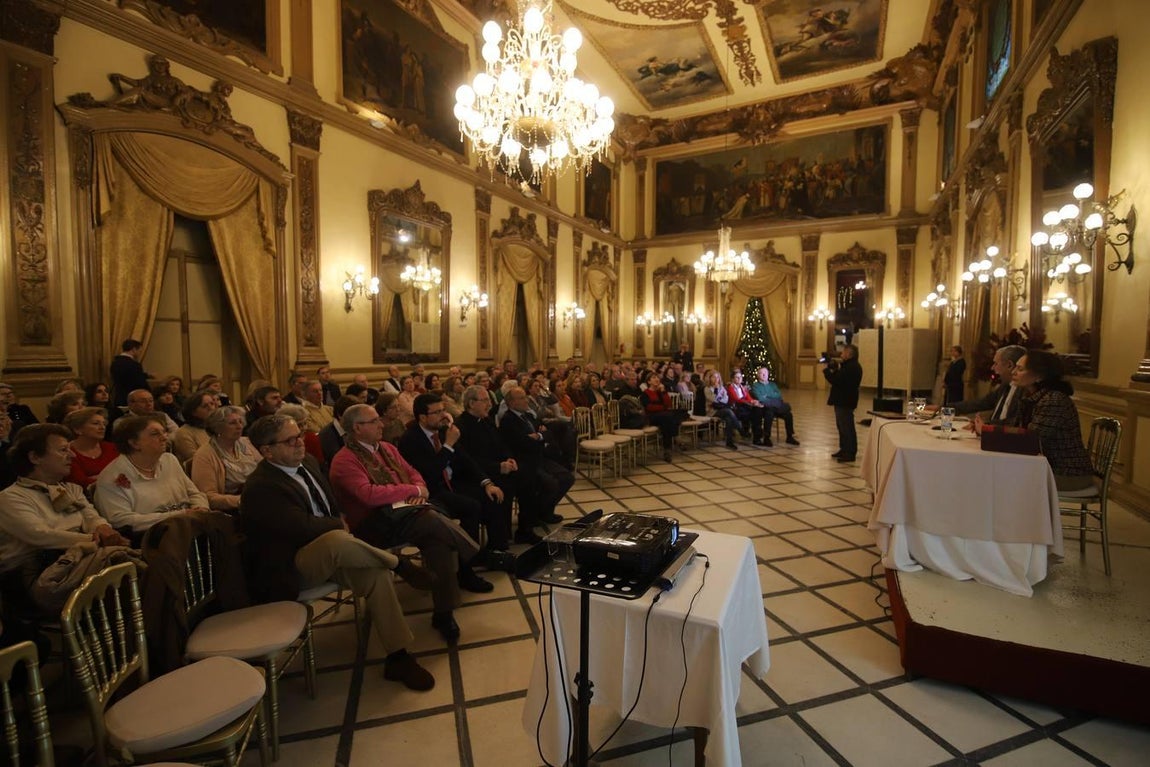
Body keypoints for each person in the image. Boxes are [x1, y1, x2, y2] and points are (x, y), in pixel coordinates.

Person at [241, 414, 436, 691]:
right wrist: (338, 524)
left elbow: (331, 504)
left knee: (375, 574)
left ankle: (399, 656)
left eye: (301, 435)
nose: (301, 443)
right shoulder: (261, 486)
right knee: (335, 538)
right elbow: (302, 528)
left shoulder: (307, 462)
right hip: (292, 566)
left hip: (336, 549)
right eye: (290, 440)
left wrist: (339, 520)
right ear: (267, 451)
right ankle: (398, 564)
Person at [327, 404, 487, 643]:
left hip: (407, 514)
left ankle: (443, 614)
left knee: (438, 542)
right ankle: (478, 556)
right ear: (357, 428)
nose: (382, 424)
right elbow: (369, 494)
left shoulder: (388, 448)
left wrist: (419, 489)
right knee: (432, 520)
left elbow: (413, 472)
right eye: (374, 421)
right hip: (373, 524)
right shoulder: (344, 460)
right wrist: (411, 490)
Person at [0, 424, 128, 614]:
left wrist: (102, 527)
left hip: (80, 559)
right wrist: (95, 539)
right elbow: (40, 536)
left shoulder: (70, 489)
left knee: (128, 571)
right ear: (34, 457)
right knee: (125, 573)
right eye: (63, 450)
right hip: (36, 576)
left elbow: (91, 516)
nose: (73, 455)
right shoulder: (10, 497)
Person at [397, 394, 512, 560]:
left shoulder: (443, 431)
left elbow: (466, 460)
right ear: (422, 417)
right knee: (470, 506)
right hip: (432, 490)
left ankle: (497, 549)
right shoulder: (410, 439)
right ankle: (471, 557)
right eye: (437, 412)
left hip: (453, 482)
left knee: (493, 495)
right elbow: (430, 474)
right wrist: (448, 445)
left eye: (443, 410)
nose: (443, 415)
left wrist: (487, 483)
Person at [456, 384, 549, 545]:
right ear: (471, 403)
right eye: (484, 400)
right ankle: (498, 541)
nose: (489, 404)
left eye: (489, 400)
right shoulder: (462, 426)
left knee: (529, 479)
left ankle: (525, 530)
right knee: (502, 490)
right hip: (479, 475)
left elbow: (501, 444)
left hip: (499, 467)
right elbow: (469, 460)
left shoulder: (486, 420)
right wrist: (498, 467)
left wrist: (509, 458)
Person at [992, 350, 1095, 492]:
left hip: (1067, 473)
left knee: (1002, 478)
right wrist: (987, 427)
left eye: (1020, 369)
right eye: (1015, 367)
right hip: (1045, 467)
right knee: (998, 474)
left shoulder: (1054, 400)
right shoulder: (1033, 396)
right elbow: (1013, 424)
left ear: (1039, 376)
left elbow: (1031, 440)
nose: (1013, 372)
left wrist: (991, 436)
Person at [93, 415, 209, 534]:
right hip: (149, 538)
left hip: (187, 528)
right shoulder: (113, 477)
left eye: (164, 432)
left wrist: (200, 508)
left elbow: (194, 493)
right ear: (134, 443)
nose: (164, 437)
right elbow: (120, 520)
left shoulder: (169, 460)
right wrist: (180, 515)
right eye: (155, 434)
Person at [498, 387, 573, 525]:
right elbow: (522, 443)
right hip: (525, 462)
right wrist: (541, 438)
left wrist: (538, 436)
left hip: (539, 457)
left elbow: (547, 432)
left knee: (567, 478)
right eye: (521, 398)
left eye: (525, 396)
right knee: (551, 483)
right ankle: (538, 513)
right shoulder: (508, 420)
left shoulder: (527, 416)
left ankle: (544, 510)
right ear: (511, 403)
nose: (526, 400)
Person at [190, 406, 260, 511]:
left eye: (240, 421)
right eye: (232, 423)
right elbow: (207, 496)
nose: (239, 426)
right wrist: (242, 500)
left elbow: (266, 469)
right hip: (232, 509)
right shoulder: (204, 455)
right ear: (217, 427)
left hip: (257, 498)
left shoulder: (247, 443)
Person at [941, 344, 1026, 425]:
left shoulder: (1025, 393)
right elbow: (981, 403)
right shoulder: (1004, 387)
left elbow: (1014, 423)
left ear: (1009, 365)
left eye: (996, 363)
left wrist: (985, 426)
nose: (992, 368)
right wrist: (944, 408)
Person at [824, 345, 862, 462]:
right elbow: (840, 378)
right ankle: (844, 449)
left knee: (847, 427)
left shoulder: (852, 367)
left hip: (845, 401)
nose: (841, 354)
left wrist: (827, 371)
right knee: (841, 426)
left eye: (844, 352)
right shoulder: (849, 366)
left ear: (849, 354)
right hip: (843, 400)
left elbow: (838, 380)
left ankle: (850, 452)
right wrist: (835, 369)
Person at [65, 407, 119, 489]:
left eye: (104, 424)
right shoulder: (68, 452)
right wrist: (111, 478)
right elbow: (80, 483)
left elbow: (126, 473)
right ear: (77, 429)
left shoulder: (112, 448)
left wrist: (96, 478)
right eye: (95, 423)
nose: (102, 427)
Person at [750, 366, 800, 446]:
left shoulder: (773, 385)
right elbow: (760, 398)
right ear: (758, 375)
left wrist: (767, 396)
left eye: (765, 373)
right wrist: (771, 397)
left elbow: (779, 396)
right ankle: (767, 438)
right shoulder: (756, 386)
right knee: (769, 413)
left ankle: (789, 437)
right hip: (765, 408)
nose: (764, 375)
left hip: (775, 407)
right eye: (761, 373)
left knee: (788, 415)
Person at [641, 372, 683, 462]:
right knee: (669, 416)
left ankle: (667, 450)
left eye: (657, 377)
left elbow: (669, 404)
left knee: (671, 418)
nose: (657, 379)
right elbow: (649, 407)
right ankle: (675, 436)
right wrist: (663, 408)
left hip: (664, 416)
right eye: (653, 377)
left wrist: (663, 391)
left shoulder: (661, 391)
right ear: (649, 381)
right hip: (652, 417)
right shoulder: (645, 393)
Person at [172, 390, 218, 464]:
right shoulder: (184, 433)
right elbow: (197, 460)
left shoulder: (218, 427)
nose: (211, 408)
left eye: (212, 404)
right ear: (193, 412)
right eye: (205, 406)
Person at [726, 370, 768, 445]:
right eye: (737, 377)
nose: (739, 379)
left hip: (744, 407)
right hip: (735, 408)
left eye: (740, 377)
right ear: (732, 379)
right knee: (754, 414)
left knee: (757, 411)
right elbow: (736, 399)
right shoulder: (730, 388)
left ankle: (757, 435)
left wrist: (753, 401)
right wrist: (749, 403)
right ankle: (757, 433)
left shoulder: (742, 387)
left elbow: (748, 397)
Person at [703, 370, 741, 449]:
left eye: (717, 377)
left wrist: (719, 398)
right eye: (714, 377)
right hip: (712, 411)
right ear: (710, 378)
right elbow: (713, 399)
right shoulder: (707, 389)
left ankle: (729, 442)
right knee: (728, 411)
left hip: (721, 409)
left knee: (728, 419)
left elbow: (725, 400)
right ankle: (739, 428)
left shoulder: (722, 388)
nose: (716, 379)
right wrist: (717, 392)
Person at [109, 338, 150, 409]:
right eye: (140, 350)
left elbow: (125, 377)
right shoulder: (134, 365)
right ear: (134, 349)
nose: (140, 353)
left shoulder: (115, 363)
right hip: (133, 400)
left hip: (119, 397)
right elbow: (139, 383)